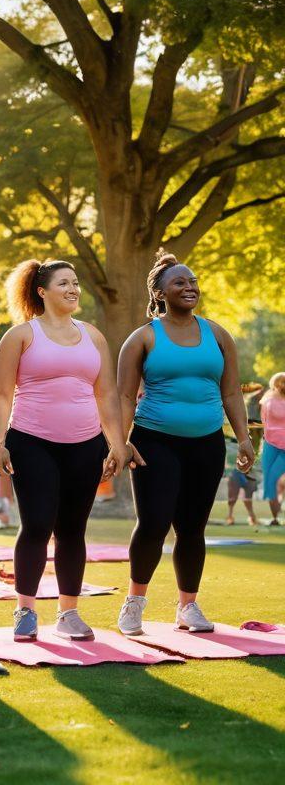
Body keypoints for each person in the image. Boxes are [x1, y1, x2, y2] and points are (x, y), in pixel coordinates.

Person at [0, 259, 129, 642]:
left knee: (72, 530)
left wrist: (118, 443)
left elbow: (106, 395)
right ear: (42, 290)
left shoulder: (93, 336)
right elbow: (0, 395)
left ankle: (69, 613)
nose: (73, 289)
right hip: (31, 441)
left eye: (76, 283)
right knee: (36, 526)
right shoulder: (21, 336)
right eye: (64, 283)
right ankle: (25, 611)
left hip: (85, 445)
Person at [116, 251, 254, 635]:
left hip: (206, 444)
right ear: (160, 293)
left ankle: (187, 607)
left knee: (192, 528)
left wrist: (243, 438)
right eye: (179, 282)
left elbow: (231, 393)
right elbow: (125, 397)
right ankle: (134, 603)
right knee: (155, 523)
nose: (189, 287)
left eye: (192, 281)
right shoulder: (143, 337)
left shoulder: (218, 334)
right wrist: (120, 442)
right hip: (154, 442)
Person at [259, 372, 285, 525]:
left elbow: (264, 421)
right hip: (270, 443)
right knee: (272, 480)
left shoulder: (267, 398)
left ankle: (275, 516)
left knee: (271, 481)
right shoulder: (268, 398)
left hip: (271, 443)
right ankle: (275, 516)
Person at [223, 437, 258, 526]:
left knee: (248, 498)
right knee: (232, 498)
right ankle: (230, 516)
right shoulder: (229, 445)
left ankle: (252, 517)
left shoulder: (251, 442)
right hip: (235, 472)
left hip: (248, 471)